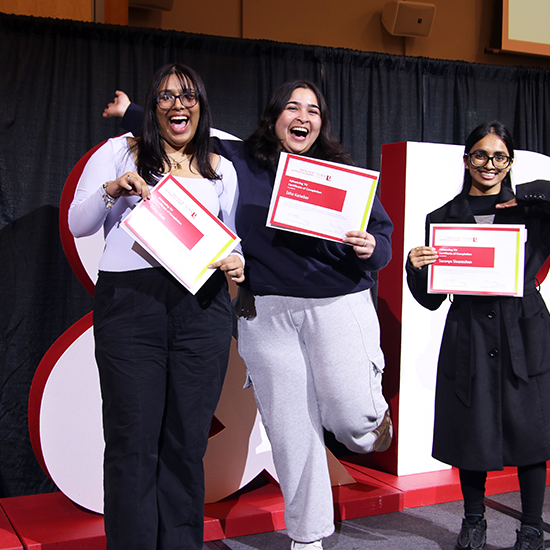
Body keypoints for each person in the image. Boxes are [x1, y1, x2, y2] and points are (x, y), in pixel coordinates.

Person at [104, 79, 394, 550]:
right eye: (293, 107)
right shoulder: (240, 160)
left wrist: (371, 247)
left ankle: (373, 424)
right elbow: (184, 132)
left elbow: (381, 239)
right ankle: (307, 536)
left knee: (350, 421)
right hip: (265, 310)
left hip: (335, 301)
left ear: (322, 123)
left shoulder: (342, 173)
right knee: (290, 427)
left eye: (313, 110)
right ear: (274, 115)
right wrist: (130, 110)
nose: (303, 117)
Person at [70, 63, 244, 550]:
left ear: (201, 106)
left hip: (202, 308)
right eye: (165, 96)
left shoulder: (220, 169)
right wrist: (112, 190)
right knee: (132, 441)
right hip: (130, 305)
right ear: (154, 106)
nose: (177, 104)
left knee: (187, 443)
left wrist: (236, 261)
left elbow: (234, 242)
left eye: (187, 96)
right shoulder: (117, 153)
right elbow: (78, 223)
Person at [407, 121, 550, 550]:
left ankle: (530, 527)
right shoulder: (442, 219)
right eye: (480, 155)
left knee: (530, 435)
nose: (489, 164)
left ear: (510, 163)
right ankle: (473, 521)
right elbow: (432, 300)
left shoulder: (534, 213)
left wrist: (527, 196)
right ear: (466, 159)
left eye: (499, 156)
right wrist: (416, 268)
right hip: (468, 332)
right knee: (473, 432)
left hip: (523, 331)